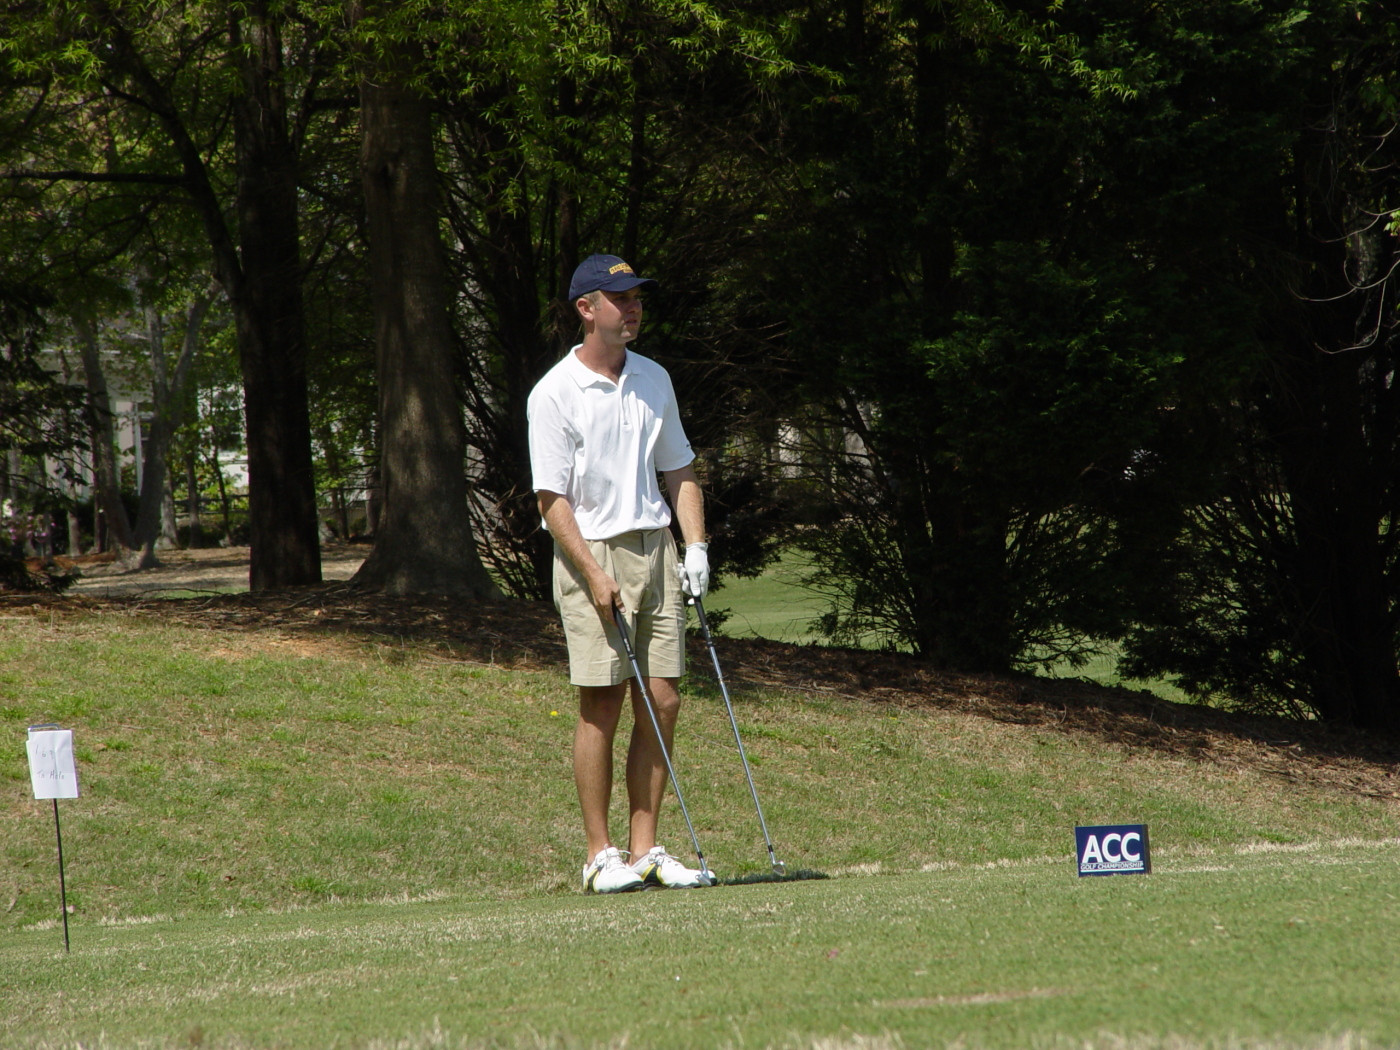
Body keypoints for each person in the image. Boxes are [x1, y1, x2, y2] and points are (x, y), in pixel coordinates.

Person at [527, 253, 712, 893]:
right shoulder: (553, 393)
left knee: (662, 700)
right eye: (620, 297)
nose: (633, 307)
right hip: (592, 553)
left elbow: (679, 470)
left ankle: (645, 850)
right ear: (587, 309)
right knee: (601, 703)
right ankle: (598, 855)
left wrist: (695, 549)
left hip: (655, 547)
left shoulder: (654, 378)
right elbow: (553, 503)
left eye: (637, 297)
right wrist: (591, 572)